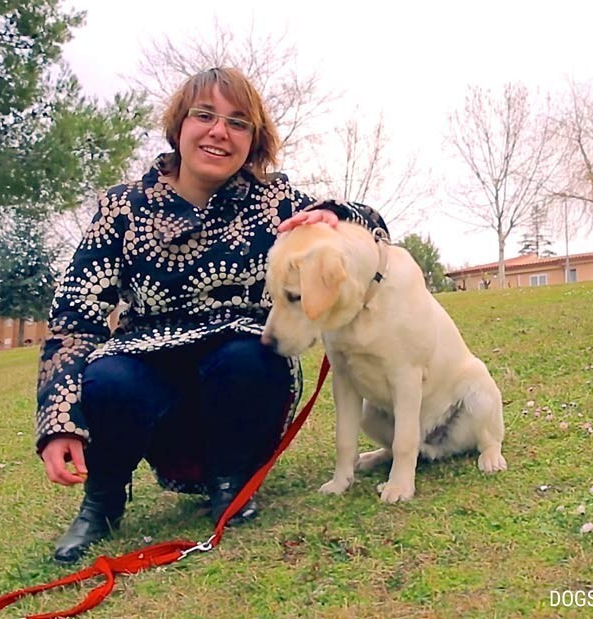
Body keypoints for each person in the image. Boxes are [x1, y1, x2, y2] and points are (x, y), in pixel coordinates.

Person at [35, 67, 388, 564]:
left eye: (238, 122)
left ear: (254, 140)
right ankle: (103, 500)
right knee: (108, 379)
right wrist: (58, 421)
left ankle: (232, 484)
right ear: (179, 125)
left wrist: (334, 215)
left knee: (250, 357)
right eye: (205, 115)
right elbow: (75, 318)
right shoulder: (123, 207)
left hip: (242, 375)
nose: (220, 131)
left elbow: (371, 226)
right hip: (146, 369)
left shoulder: (276, 202)